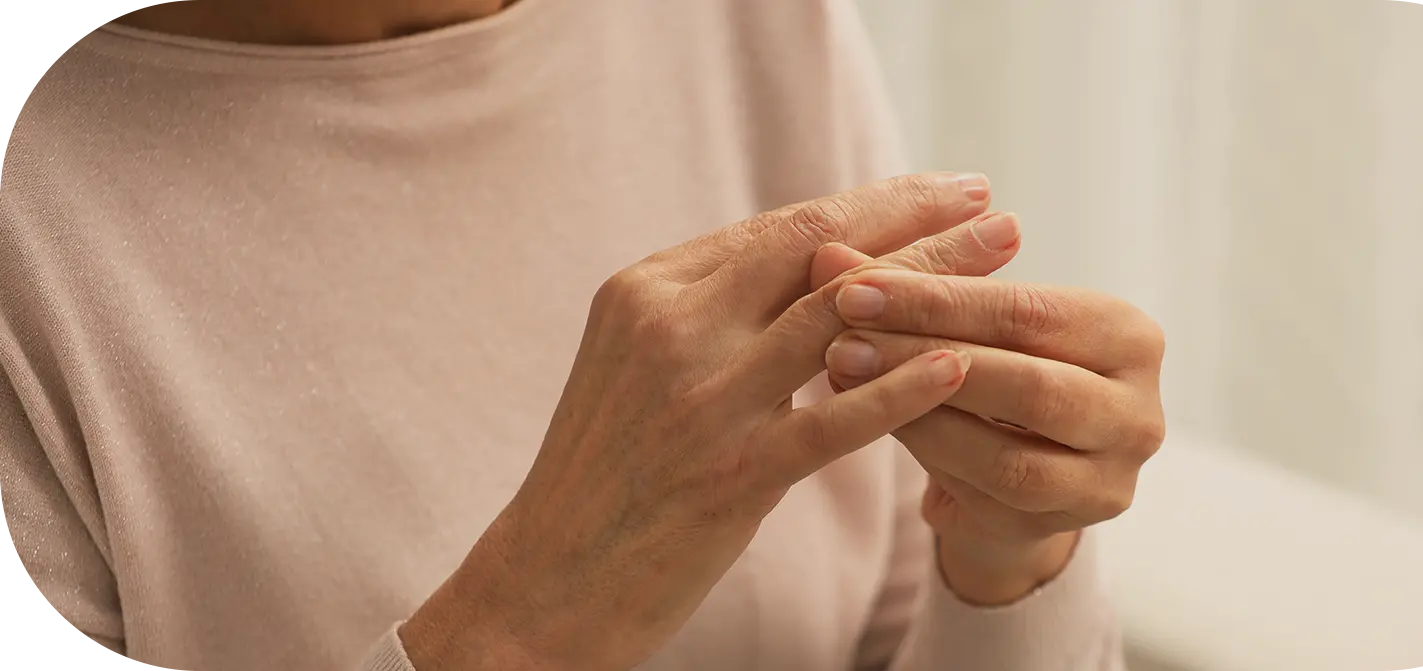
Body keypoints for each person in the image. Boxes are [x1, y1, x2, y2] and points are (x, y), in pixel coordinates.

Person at [0, 1, 1165, 669]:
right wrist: (528, 612)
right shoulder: (35, 220)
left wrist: (1009, 560)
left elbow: (884, 627)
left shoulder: (737, 22)